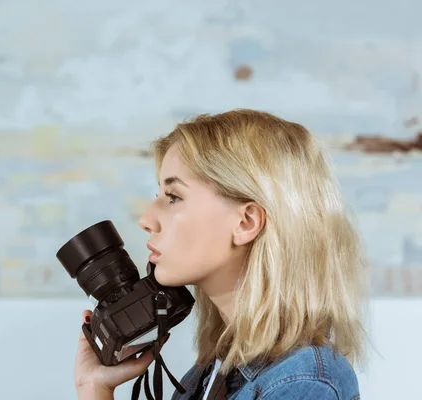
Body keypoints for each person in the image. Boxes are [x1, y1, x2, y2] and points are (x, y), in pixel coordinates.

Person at [73, 109, 370, 399]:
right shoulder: (215, 370)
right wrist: (94, 387)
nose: (147, 220)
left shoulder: (302, 383)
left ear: (246, 222)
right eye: (158, 196)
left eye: (173, 197)